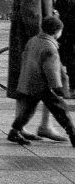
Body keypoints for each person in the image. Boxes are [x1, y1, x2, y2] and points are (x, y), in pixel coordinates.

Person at [8, 0, 64, 141]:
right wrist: (38, 37)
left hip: (40, 35)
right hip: (32, 36)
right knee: (31, 80)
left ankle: (40, 125)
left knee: (34, 80)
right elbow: (31, 10)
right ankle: (31, 126)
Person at [7, 15, 75, 147]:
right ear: (57, 32)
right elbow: (51, 71)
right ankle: (72, 133)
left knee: (28, 109)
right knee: (60, 108)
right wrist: (58, 88)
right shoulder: (50, 48)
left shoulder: (33, 40)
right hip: (42, 86)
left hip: (29, 82)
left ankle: (14, 131)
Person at [54, 0, 75, 95]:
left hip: (68, 36)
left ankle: (71, 89)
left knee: (69, 61)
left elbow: (62, 20)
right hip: (69, 35)